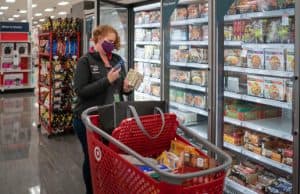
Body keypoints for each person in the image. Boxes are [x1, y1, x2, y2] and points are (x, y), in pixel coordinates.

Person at [72, 25, 132, 194]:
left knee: (108, 158)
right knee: (92, 158)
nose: (111, 45)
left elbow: (120, 89)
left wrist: (127, 88)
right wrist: (107, 80)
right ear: (97, 39)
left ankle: (106, 188)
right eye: (108, 41)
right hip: (88, 119)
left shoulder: (117, 60)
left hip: (111, 118)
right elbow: (80, 91)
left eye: (114, 42)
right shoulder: (85, 61)